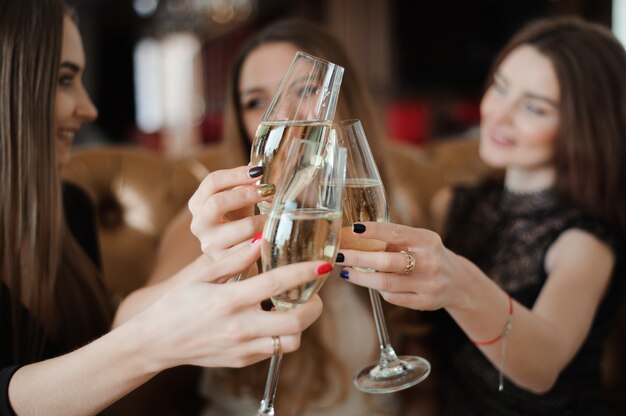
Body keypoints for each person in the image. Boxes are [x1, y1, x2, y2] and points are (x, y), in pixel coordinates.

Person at [0, 1, 325, 414]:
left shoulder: (68, 209)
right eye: (64, 78)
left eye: (307, 90)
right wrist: (157, 340)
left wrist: (217, 265)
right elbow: (125, 331)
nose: (89, 108)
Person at [335, 16, 626, 415]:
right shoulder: (452, 205)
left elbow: (543, 368)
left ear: (585, 127)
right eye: (500, 88)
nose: (498, 115)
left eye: (534, 108)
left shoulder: (586, 240)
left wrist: (460, 282)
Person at [154, 19, 429, 415]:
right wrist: (217, 267)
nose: (283, 114)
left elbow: (418, 366)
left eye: (305, 90)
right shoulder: (220, 220)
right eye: (255, 101)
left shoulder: (388, 208)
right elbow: (128, 324)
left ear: (340, 98)